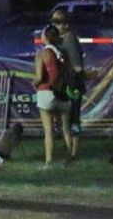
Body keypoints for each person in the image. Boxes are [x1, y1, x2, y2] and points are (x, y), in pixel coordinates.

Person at [34, 24, 77, 167]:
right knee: (65, 129)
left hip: (46, 93)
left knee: (48, 130)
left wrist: (34, 83)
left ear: (45, 37)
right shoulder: (63, 53)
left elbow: (40, 77)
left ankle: (49, 161)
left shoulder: (42, 54)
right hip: (63, 94)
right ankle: (69, 158)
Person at [50, 8, 87, 145]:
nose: (55, 25)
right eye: (53, 21)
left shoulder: (69, 40)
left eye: (58, 22)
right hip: (65, 84)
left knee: (73, 120)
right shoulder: (58, 40)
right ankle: (69, 149)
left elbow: (78, 67)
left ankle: (73, 153)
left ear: (66, 24)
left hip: (73, 84)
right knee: (65, 119)